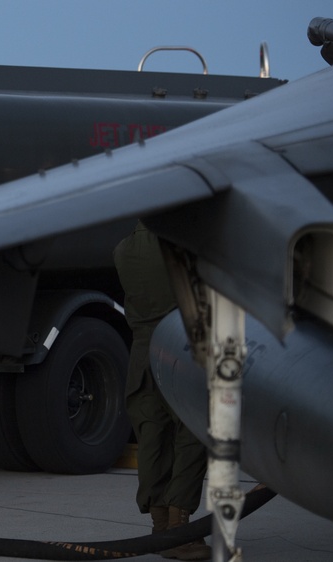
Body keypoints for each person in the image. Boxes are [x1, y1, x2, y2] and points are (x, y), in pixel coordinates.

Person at [113, 220, 210, 561]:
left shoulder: (122, 250)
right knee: (191, 434)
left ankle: (160, 527)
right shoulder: (182, 242)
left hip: (142, 355)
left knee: (152, 437)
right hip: (180, 349)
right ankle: (180, 530)